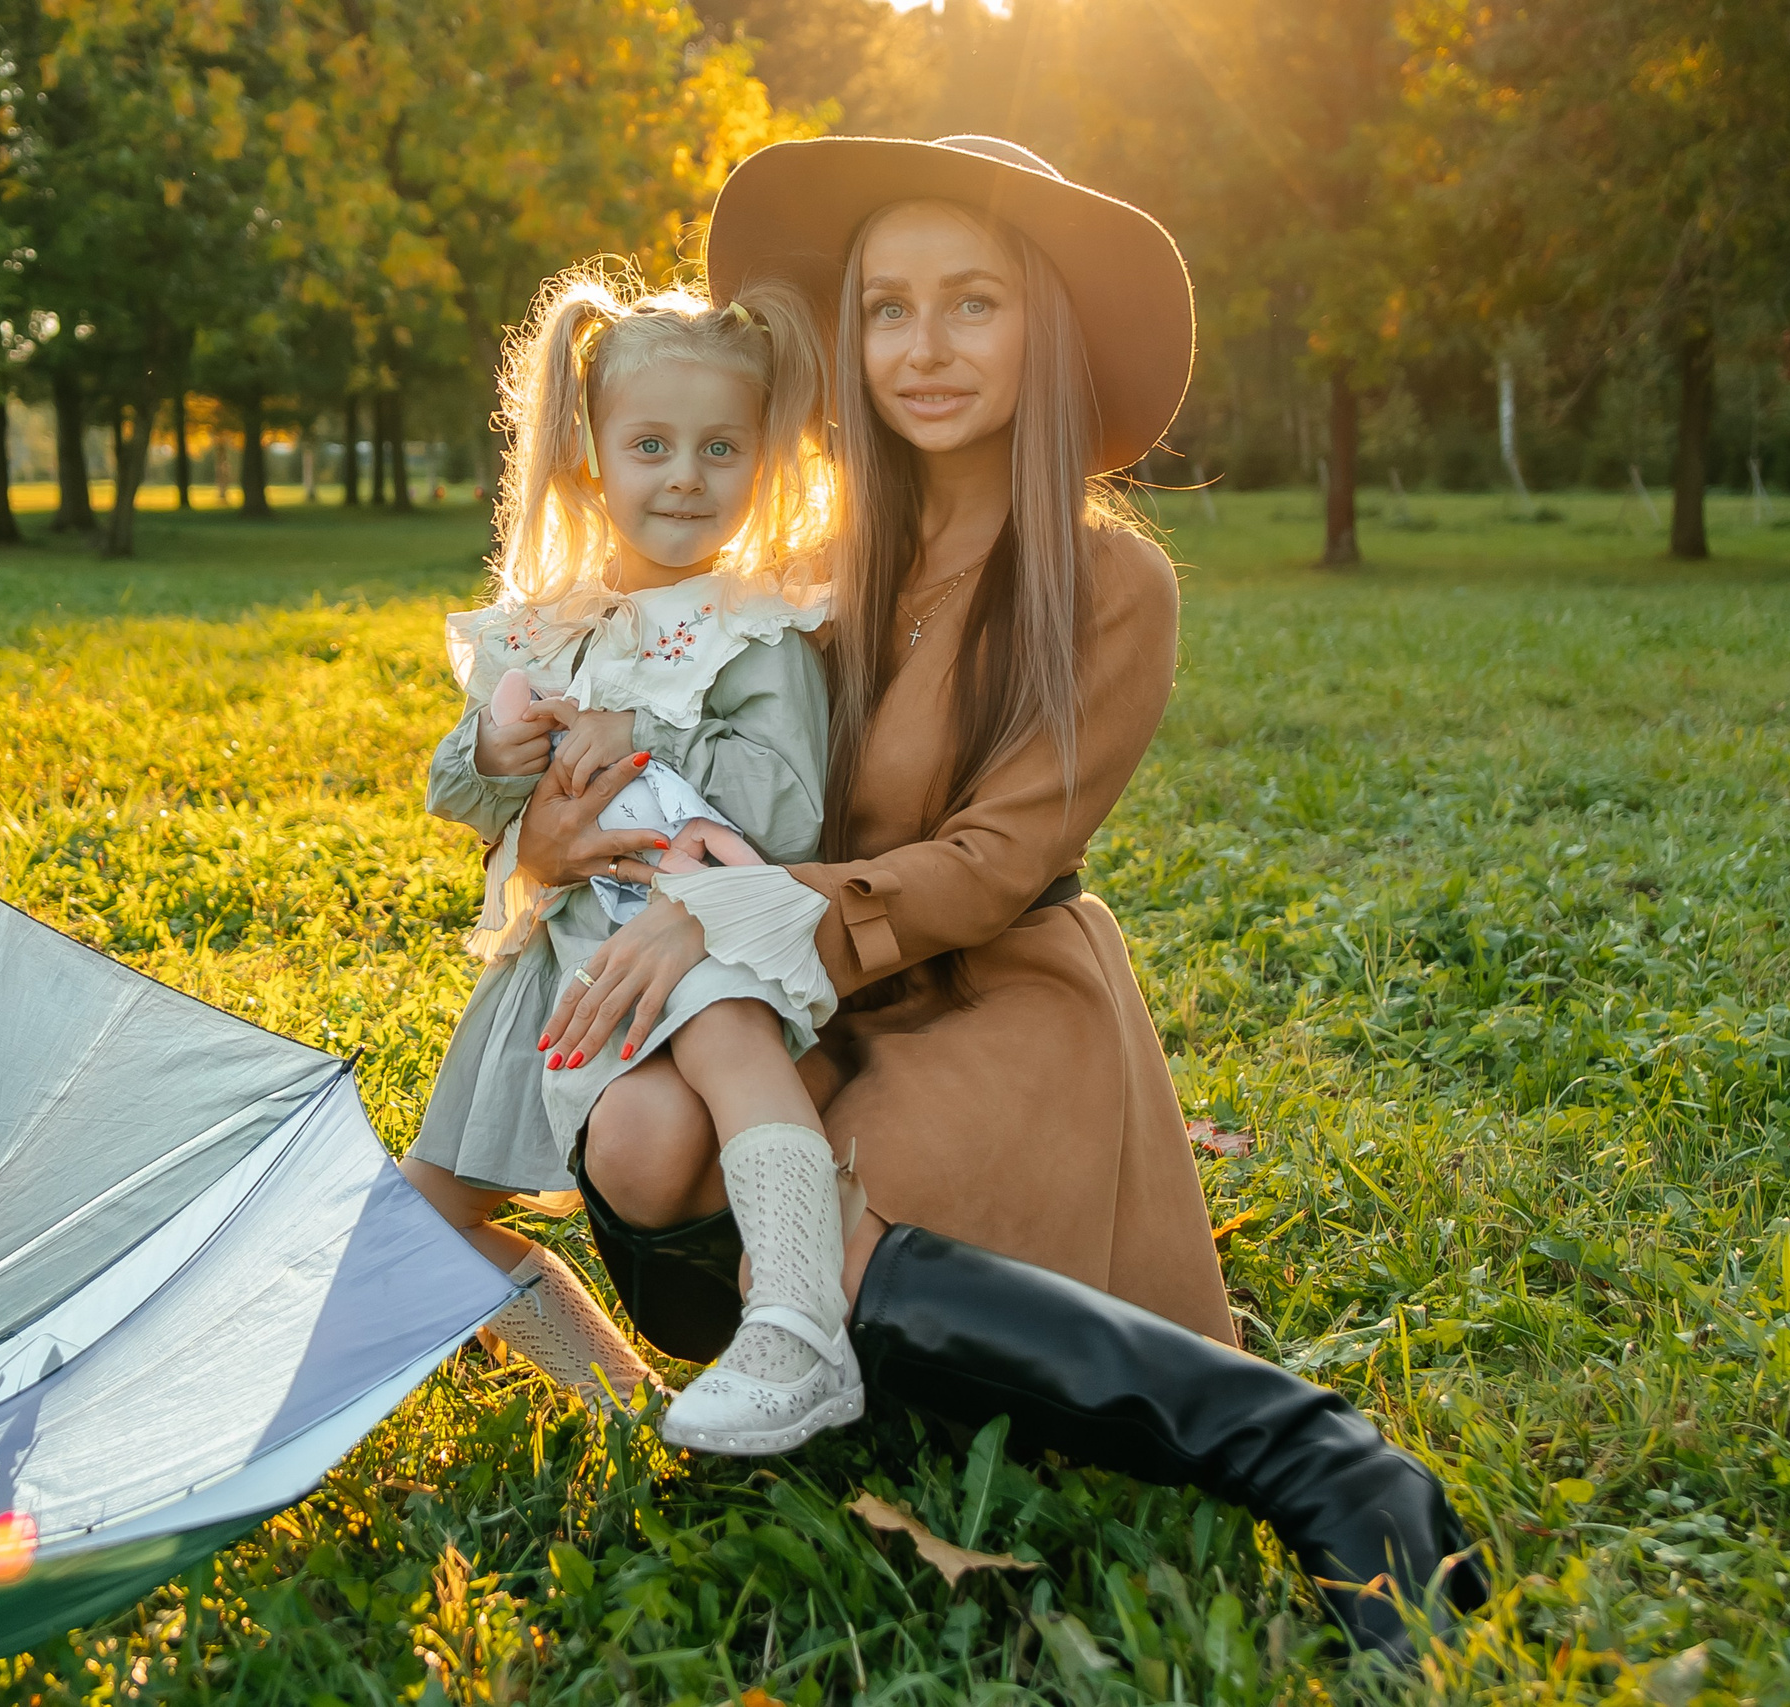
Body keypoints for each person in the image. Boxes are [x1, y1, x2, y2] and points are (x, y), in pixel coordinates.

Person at [516, 136, 1487, 1660]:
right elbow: (672, 762)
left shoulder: (1107, 583)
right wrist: (561, 826)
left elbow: (989, 865)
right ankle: (859, 1365)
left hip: (990, 991)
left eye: (972, 302)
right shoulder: (800, 567)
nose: (924, 347)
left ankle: (1321, 1459)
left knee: (825, 1232)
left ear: (1045, 328)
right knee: (641, 1148)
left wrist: (741, 910)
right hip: (791, 1000)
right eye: (887, 308)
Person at [405, 268, 860, 1443]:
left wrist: (647, 728)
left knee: (728, 1036)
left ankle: (799, 1320)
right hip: (555, 968)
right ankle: (620, 1407)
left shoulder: (756, 624)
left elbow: (788, 806)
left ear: (764, 460)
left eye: (721, 448)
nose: (685, 476)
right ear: (589, 457)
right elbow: (462, 799)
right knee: (423, 1207)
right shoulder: (553, 623)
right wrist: (492, 748)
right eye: (650, 445)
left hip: (697, 926)